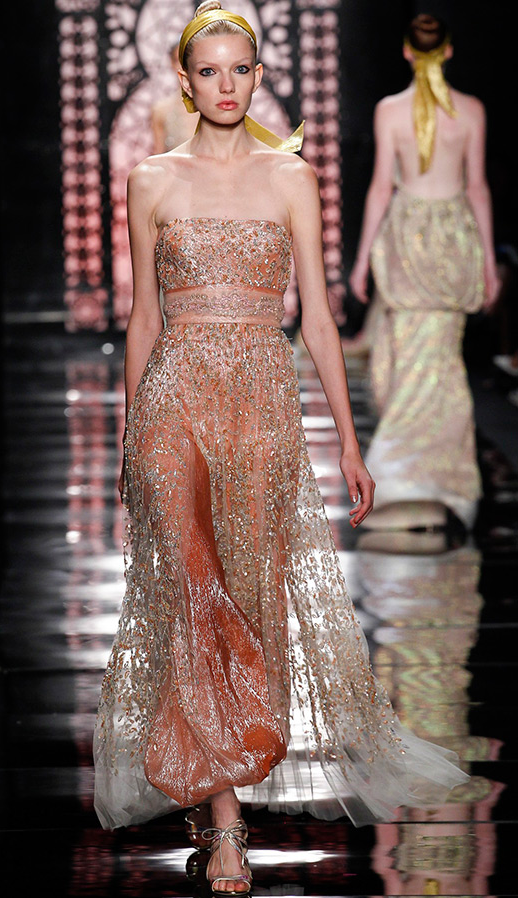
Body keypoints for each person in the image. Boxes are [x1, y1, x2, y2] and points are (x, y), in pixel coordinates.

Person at [93, 4, 468, 894]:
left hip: (261, 409)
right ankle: (225, 829)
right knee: (193, 595)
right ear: (184, 81)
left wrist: (350, 443)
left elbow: (320, 323)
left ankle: (213, 774)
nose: (226, 85)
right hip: (174, 404)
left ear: (258, 77)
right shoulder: (151, 180)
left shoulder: (291, 178)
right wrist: (130, 436)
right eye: (209, 71)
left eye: (240, 69)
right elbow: (142, 320)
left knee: (248, 595)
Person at [349, 13, 501, 532]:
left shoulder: (389, 110)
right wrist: (487, 261)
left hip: (407, 237)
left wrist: (362, 259)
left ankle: (401, 474)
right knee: (441, 358)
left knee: (410, 356)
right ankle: (442, 481)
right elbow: (477, 188)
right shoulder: (472, 110)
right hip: (453, 238)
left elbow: (380, 188)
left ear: (408, 53)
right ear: (449, 51)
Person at [151, 44, 200, 154]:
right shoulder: (161, 110)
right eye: (180, 60)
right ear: (172, 63)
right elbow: (159, 156)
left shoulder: (215, 106)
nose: (185, 65)